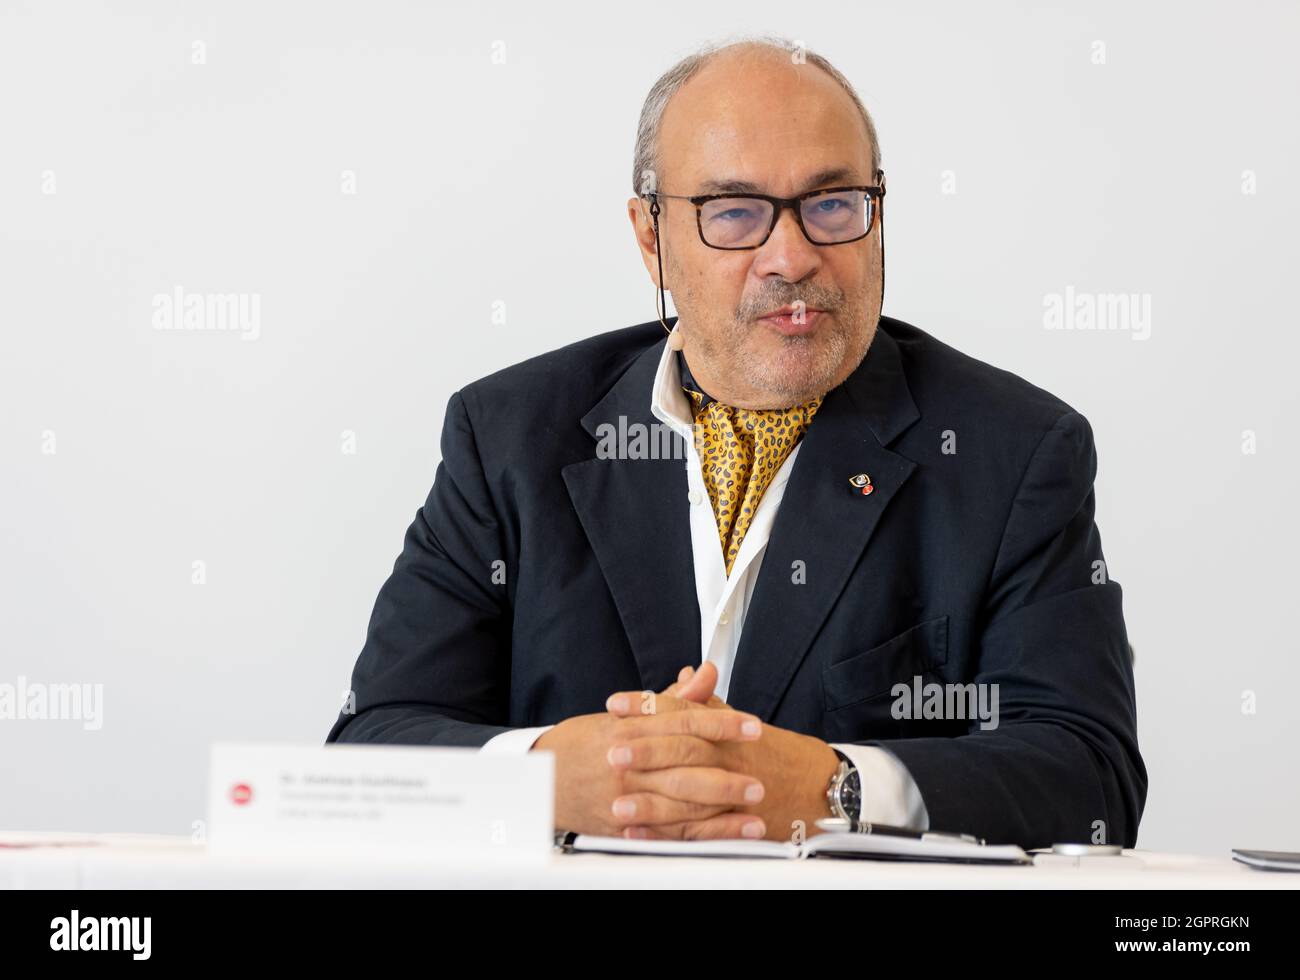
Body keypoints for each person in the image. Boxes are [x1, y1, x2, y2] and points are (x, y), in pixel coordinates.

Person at [326, 35, 1147, 848]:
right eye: (735, 213)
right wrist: (542, 774)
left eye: (832, 204)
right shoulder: (506, 436)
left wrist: (839, 786)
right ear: (651, 237)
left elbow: (1088, 772)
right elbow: (368, 747)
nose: (790, 257)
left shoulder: (1015, 451)